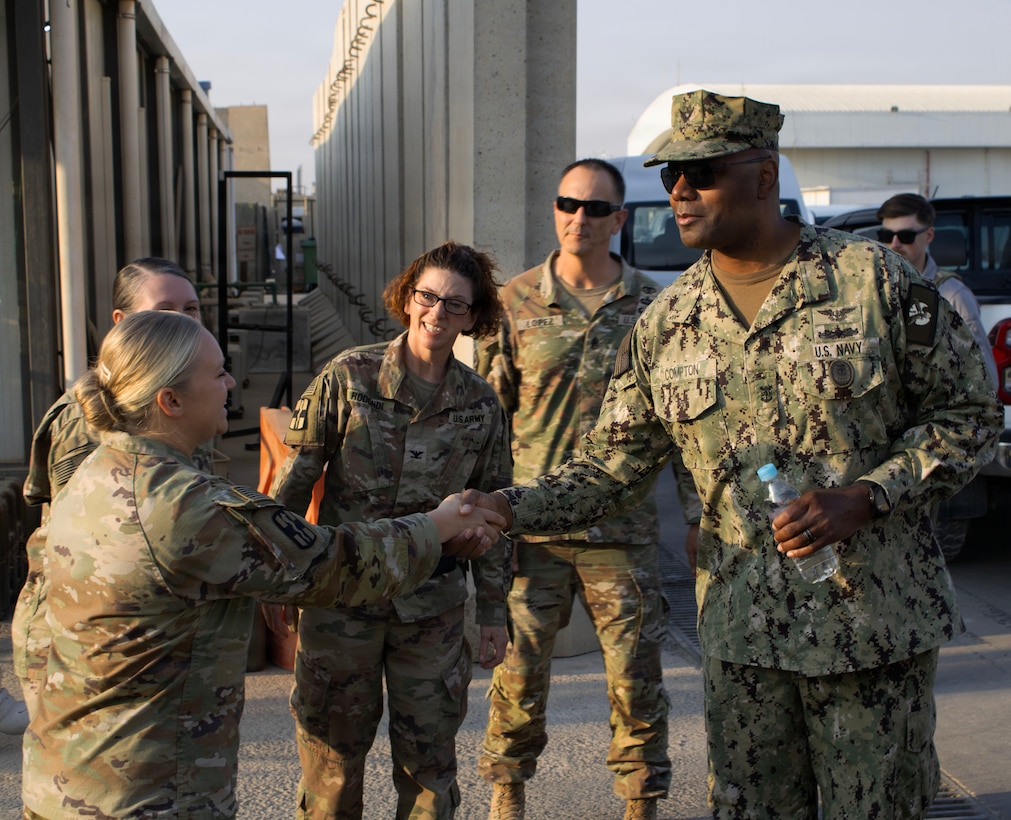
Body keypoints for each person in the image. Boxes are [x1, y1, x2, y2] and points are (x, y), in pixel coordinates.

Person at [460, 90, 1002, 819]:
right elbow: (610, 466)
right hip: (744, 641)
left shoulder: (876, 281)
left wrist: (865, 496)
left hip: (870, 631)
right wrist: (503, 507)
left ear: (764, 175)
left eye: (702, 171)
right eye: (670, 175)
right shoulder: (664, 323)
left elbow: (965, 416)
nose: (679, 190)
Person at [18, 310, 502, 820]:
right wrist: (437, 526)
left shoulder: (91, 476)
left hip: (65, 782)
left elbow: (34, 625)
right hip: (151, 795)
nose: (231, 383)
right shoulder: (185, 507)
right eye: (218, 372)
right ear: (171, 401)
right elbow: (328, 564)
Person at [269, 241, 512, 819]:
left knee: (429, 773)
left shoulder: (481, 405)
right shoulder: (349, 376)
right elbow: (293, 483)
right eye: (427, 297)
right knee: (331, 770)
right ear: (407, 299)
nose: (437, 313)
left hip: (431, 610)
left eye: (456, 304)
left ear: (474, 318)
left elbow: (497, 509)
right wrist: (279, 579)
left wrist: (495, 612)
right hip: (341, 602)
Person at [476, 158, 679, 820]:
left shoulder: (653, 307)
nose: (578, 218)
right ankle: (507, 796)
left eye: (595, 209)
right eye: (568, 204)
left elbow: (682, 421)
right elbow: (488, 418)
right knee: (518, 675)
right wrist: (486, 519)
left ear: (619, 220)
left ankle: (639, 802)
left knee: (635, 678)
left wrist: (703, 517)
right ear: (555, 210)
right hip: (533, 526)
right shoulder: (515, 302)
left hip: (619, 529)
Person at [13, 258, 213, 719]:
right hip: (81, 635)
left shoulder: (172, 396)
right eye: (165, 310)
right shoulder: (91, 418)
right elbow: (87, 543)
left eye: (192, 309)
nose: (183, 322)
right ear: (122, 324)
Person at [877, 192, 998, 386]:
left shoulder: (951, 295)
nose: (894, 244)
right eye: (887, 236)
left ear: (929, 235)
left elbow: (986, 377)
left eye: (906, 236)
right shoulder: (873, 291)